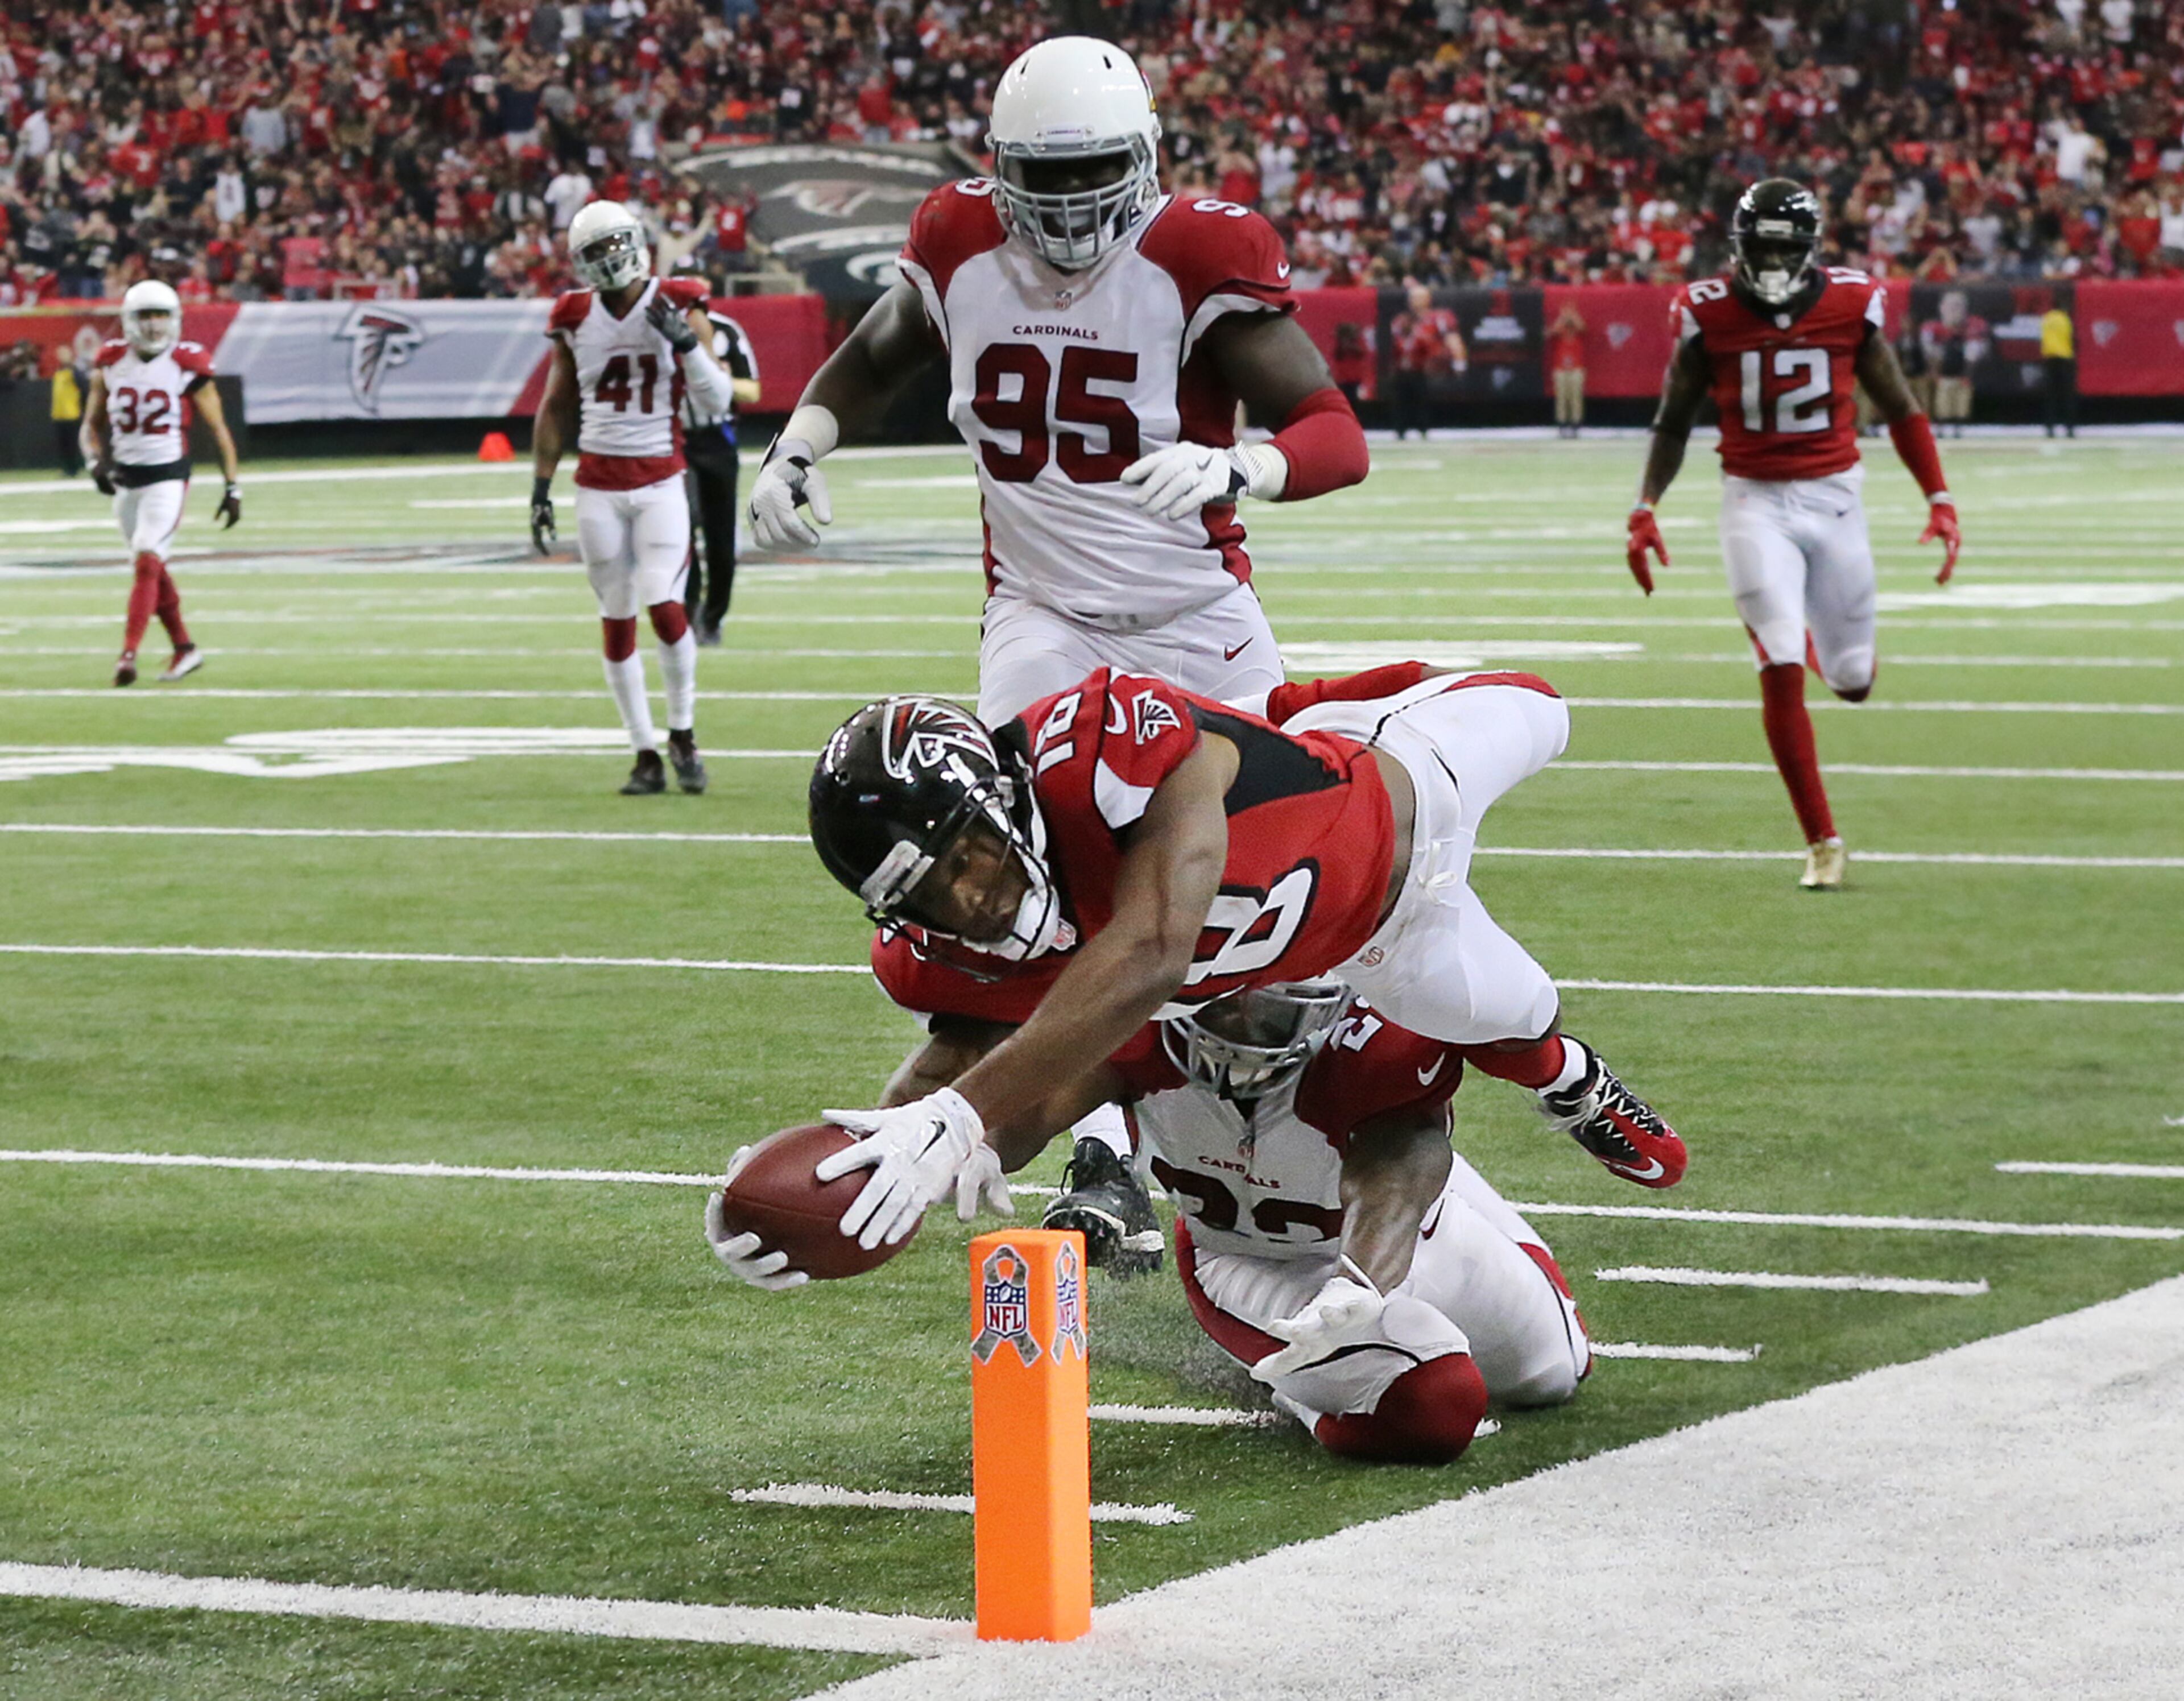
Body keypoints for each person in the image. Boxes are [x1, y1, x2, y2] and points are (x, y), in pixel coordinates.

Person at [745, 35, 1369, 1263]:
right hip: (1040, 616)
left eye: (1098, 170)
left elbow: (1334, 428)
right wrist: (801, 437)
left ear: (1142, 159)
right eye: (1052, 173)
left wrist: (1248, 462)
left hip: (1198, 619)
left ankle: (1271, 1148)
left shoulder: (1198, 254)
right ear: (1001, 170)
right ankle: (1095, 1151)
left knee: (1234, 913)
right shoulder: (957, 240)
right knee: (1069, 896)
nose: (1077, 202)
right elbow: (880, 351)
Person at [781, 660, 1684, 1254]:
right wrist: (787, 1204)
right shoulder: (946, 956)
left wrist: (960, 1115)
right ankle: (1575, 1083)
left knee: (1544, 706)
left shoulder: (1099, 749)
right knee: (1518, 1012)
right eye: (929, 893)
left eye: (966, 856)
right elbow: (915, 1106)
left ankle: (1302, 710)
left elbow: (1153, 953)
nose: (970, 898)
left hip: (1408, 774)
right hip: (1380, 938)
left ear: (1001, 796)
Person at [709, 982, 1608, 1465]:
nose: (1248, 1025)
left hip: (1396, 1228)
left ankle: (1375, 1320)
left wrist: (1368, 1279)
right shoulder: (1136, 1021)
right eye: (1228, 999)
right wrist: (832, 1177)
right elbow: (1010, 1108)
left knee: (1553, 1375)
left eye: (1274, 1003)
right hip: (1257, 1258)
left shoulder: (1380, 1028)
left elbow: (1404, 1161)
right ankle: (1298, 1380)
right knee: (1437, 1403)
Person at [1624, 180, 1962, 891]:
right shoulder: (1706, 313)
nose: (1774, 261)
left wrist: (1939, 496)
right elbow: (1675, 417)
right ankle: (1822, 842)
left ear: (1810, 250)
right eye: (1762, 246)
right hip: (1752, 501)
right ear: (1739, 248)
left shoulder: (1849, 303)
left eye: (1786, 247)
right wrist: (1645, 505)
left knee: (1853, 681)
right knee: (1777, 656)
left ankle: (1804, 634)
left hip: (1837, 499)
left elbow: (1900, 406)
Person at [530, 201, 739, 796]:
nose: (607, 259)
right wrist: (541, 483)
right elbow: (557, 403)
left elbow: (720, 398)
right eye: (593, 252)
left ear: (635, 241)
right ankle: (644, 751)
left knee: (665, 605)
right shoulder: (573, 315)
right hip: (597, 484)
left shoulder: (678, 301)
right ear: (579, 263)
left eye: (612, 245)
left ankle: (683, 734)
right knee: (616, 616)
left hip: (659, 481)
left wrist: (690, 348)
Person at [80, 280, 242, 687]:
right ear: (129, 320)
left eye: (162, 315)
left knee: (148, 558)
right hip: (126, 482)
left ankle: (128, 654)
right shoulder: (112, 360)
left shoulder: (187, 363)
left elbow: (219, 428)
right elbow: (90, 426)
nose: (154, 325)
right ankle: (185, 648)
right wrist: (93, 462)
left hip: (168, 476)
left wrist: (232, 485)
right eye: (146, 316)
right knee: (151, 567)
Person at [679, 297, 762, 644]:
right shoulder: (658, 329)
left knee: (720, 538)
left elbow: (753, 391)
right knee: (682, 526)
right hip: (674, 439)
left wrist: (713, 368)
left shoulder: (727, 331)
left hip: (717, 438)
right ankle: (688, 612)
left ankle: (713, 617)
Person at [1387, 282, 1465, 439]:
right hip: (1404, 369)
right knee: (1401, 401)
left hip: (1429, 369)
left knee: (1422, 401)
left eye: (1418, 298)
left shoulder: (1439, 318)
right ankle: (1401, 430)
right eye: (1412, 298)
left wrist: (1459, 362)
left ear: (1428, 299)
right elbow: (1396, 346)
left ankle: (1424, 429)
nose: (1415, 301)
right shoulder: (1401, 321)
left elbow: (1453, 340)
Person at [1547, 300, 1586, 437]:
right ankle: (1562, 425)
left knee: (1576, 397)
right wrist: (1562, 317)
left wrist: (1573, 315)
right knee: (1562, 397)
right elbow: (1551, 332)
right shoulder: (1560, 331)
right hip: (1560, 369)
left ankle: (1576, 424)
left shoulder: (1578, 332)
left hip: (1576, 369)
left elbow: (1583, 328)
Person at [2040, 296, 2077, 438]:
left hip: (2050, 359)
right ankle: (2070, 428)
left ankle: (2050, 428)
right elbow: (2071, 338)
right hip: (2065, 359)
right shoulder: (2065, 319)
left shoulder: (2047, 319)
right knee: (2067, 396)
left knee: (2051, 396)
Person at [50, 350, 86, 477]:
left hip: (72, 415)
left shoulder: (75, 374)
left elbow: (84, 390)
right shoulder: (58, 373)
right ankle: (66, 468)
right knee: (63, 445)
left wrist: (82, 408)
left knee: (72, 445)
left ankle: (74, 469)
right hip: (59, 415)